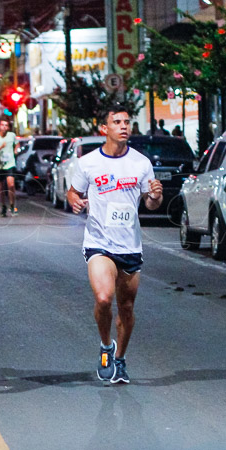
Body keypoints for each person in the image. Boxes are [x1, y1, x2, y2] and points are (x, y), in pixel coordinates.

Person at [67, 105, 163, 385]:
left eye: (126, 122)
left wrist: (156, 196)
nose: (123, 126)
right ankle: (105, 345)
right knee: (103, 298)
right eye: (117, 122)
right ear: (104, 129)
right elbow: (73, 191)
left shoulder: (141, 163)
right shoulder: (88, 163)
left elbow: (150, 203)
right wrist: (74, 200)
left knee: (127, 308)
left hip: (130, 245)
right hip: (99, 242)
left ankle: (119, 358)